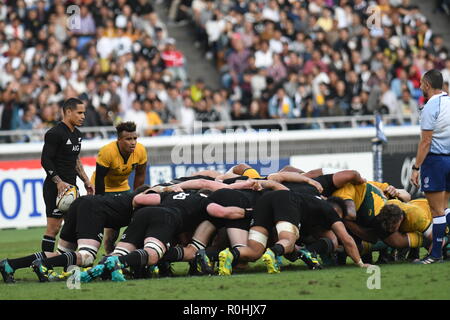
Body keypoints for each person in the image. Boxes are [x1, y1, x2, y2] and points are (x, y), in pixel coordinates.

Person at [39, 98, 94, 254]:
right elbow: (45, 160)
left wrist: (86, 180)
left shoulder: (77, 134)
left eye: (84, 113)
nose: (83, 116)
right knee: (53, 228)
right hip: (54, 188)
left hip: (72, 187)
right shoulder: (54, 133)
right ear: (68, 112)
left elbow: (75, 159)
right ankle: (45, 266)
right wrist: (58, 182)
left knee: (74, 227)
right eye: (80, 113)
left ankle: (67, 263)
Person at [410, 69, 450, 264]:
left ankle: (435, 255)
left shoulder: (430, 107)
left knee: (437, 211)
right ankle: (439, 250)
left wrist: (416, 167)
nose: (419, 86)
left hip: (435, 161)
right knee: (444, 208)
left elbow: (425, 142)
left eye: (421, 83)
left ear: (427, 84)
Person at [90, 121, 148, 254]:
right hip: (102, 187)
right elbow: (100, 178)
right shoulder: (107, 151)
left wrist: (137, 198)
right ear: (119, 140)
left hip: (122, 187)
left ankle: (123, 251)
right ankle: (99, 250)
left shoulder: (140, 150)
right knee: (104, 224)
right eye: (128, 139)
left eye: (134, 138)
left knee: (134, 218)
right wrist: (100, 200)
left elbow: (140, 175)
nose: (133, 142)